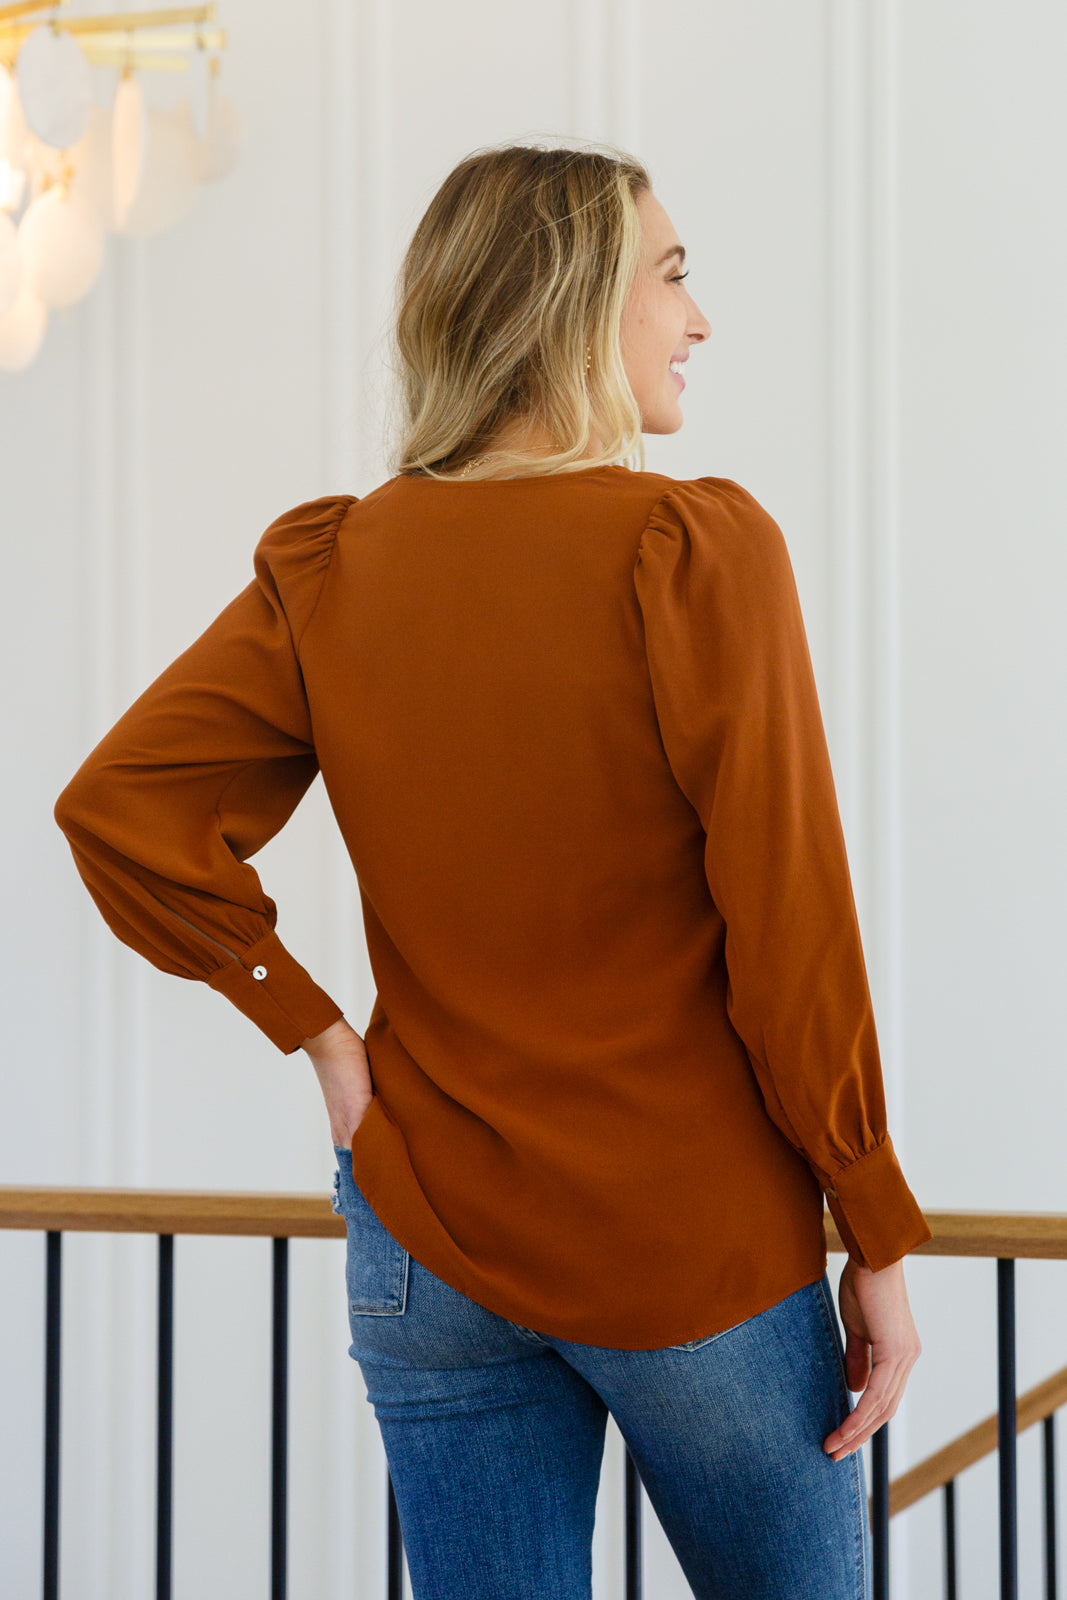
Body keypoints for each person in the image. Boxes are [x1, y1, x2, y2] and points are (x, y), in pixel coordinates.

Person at [54, 140, 932, 1599]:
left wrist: (316, 1032)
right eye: (672, 277)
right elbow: (794, 931)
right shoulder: (690, 550)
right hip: (688, 1249)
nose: (698, 319)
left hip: (429, 1245)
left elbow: (119, 809)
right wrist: (876, 1226)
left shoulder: (337, 566)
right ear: (576, 303)